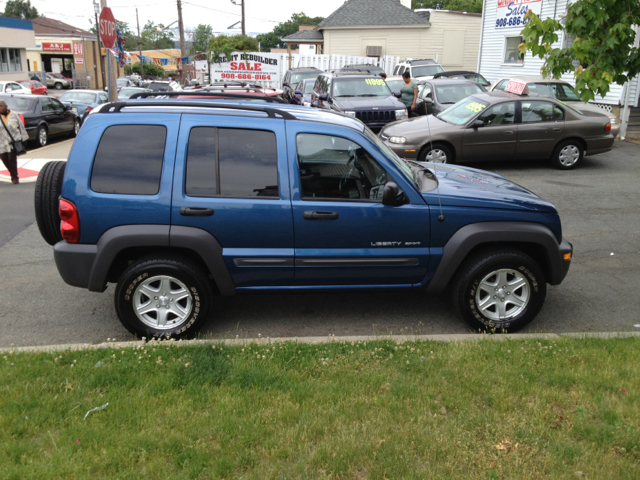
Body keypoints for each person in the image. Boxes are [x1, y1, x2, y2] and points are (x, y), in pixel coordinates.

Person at [0, 100, 29, 184]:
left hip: (13, 141)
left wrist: (24, 139)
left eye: (1, 106)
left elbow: (21, 127)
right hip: (1, 143)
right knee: (4, 159)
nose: (0, 108)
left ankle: (14, 177)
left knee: (11, 159)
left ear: (6, 106)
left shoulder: (14, 114)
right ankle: (12, 173)